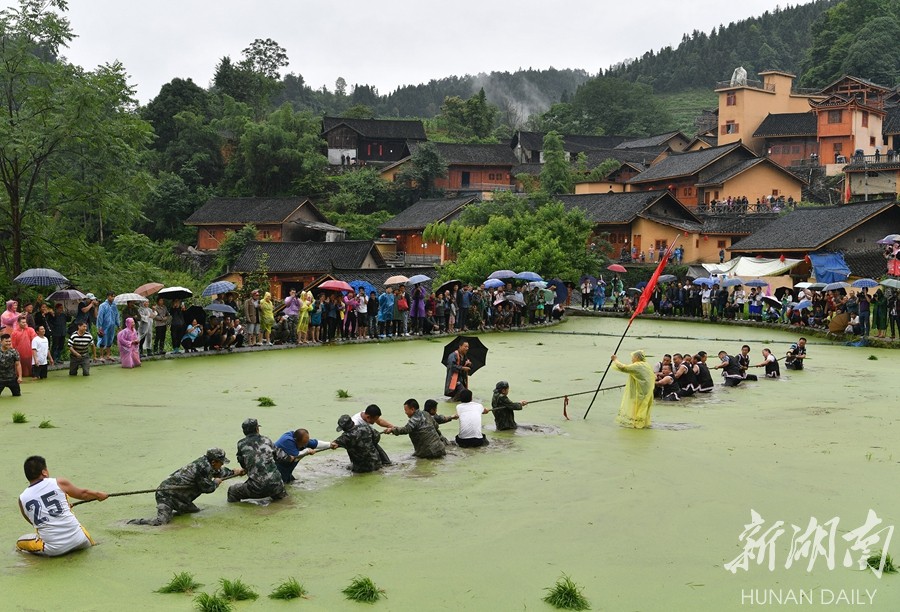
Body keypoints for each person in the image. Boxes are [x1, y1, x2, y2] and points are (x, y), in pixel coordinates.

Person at [16, 455, 108, 556]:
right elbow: (84, 494)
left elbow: (32, 521)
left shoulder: (22, 498)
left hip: (55, 550)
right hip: (82, 541)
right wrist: (99, 495)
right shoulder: (59, 483)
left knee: (19, 543)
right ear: (44, 472)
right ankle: (92, 543)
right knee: (79, 528)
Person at [128, 448, 240, 526]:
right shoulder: (201, 468)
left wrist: (233, 472)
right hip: (166, 495)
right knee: (160, 522)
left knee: (194, 511)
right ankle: (132, 522)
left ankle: (177, 509)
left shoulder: (208, 464)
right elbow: (207, 488)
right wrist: (216, 482)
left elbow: (219, 472)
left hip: (181, 498)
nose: (222, 465)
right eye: (221, 462)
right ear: (214, 461)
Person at [227, 418, 287, 503]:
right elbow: (281, 456)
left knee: (232, 491)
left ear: (244, 431)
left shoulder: (241, 444)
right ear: (257, 429)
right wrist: (292, 457)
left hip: (256, 487)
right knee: (283, 497)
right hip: (276, 484)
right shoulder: (267, 440)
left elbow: (243, 463)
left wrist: (246, 469)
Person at [610, 350, 655, 429]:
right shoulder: (646, 365)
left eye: (633, 357)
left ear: (637, 357)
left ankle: (639, 425)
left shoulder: (638, 365)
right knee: (642, 407)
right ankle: (642, 423)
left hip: (642, 392)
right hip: (647, 391)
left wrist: (615, 360)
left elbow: (623, 367)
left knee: (640, 407)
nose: (632, 359)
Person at [96, 292, 118, 361]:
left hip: (112, 325)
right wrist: (99, 326)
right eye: (112, 296)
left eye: (114, 296)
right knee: (103, 339)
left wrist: (118, 324)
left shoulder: (114, 305)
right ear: (108, 296)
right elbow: (100, 316)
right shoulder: (103, 305)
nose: (113, 298)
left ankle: (108, 355)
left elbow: (116, 315)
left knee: (110, 339)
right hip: (104, 325)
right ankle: (101, 356)